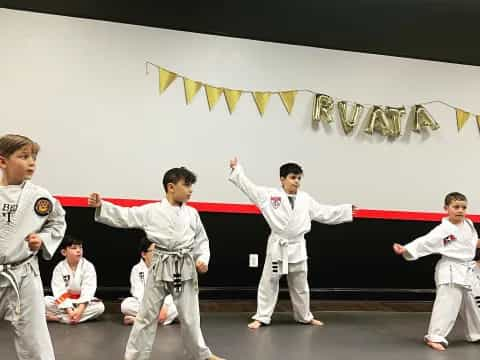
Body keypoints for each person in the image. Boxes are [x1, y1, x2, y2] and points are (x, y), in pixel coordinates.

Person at [88, 166, 225, 360]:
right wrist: (102, 206)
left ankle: (202, 355)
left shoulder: (192, 213)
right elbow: (126, 216)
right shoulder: (152, 211)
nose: (190, 190)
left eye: (191, 185)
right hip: (160, 264)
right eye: (186, 185)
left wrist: (202, 259)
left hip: (185, 266)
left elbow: (202, 240)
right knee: (145, 317)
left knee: (191, 318)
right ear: (171, 187)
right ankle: (134, 357)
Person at [229, 157, 355, 329]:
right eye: (292, 177)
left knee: (301, 285)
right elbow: (248, 187)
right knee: (269, 282)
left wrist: (346, 210)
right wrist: (237, 170)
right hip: (278, 248)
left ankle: (304, 316)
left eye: (299, 178)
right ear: (282, 179)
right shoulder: (269, 196)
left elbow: (324, 212)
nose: (296, 181)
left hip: (297, 248)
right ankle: (262, 317)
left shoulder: (305, 199)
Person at [0, 134, 66, 360]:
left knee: (35, 340)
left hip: (24, 273)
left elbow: (58, 222)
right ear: (2, 161)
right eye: (24, 156)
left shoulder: (39, 196)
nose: (32, 162)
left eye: (34, 158)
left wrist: (44, 239)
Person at [393, 192, 480, 351]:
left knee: (474, 302)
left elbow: (469, 242)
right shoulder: (445, 231)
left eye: (463, 207)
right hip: (451, 270)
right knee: (448, 304)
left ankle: (477, 333)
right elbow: (429, 242)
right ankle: (435, 336)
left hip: (468, 269)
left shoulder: (467, 224)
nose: (460, 210)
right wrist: (407, 249)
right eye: (456, 207)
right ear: (446, 208)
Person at [45, 235, 105, 324]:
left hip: (82, 302)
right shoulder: (59, 268)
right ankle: (72, 317)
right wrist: (69, 310)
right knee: (45, 301)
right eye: (74, 248)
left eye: (80, 247)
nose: (78, 250)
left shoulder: (88, 266)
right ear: (64, 252)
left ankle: (58, 318)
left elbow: (88, 289)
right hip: (65, 302)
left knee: (100, 308)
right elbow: (59, 291)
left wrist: (80, 310)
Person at [121, 236, 178, 326]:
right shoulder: (137, 269)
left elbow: (173, 290)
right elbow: (138, 292)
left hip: (165, 305)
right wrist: (153, 306)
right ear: (144, 254)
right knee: (126, 305)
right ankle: (158, 320)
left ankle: (140, 321)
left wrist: (165, 305)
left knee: (180, 306)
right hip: (146, 304)